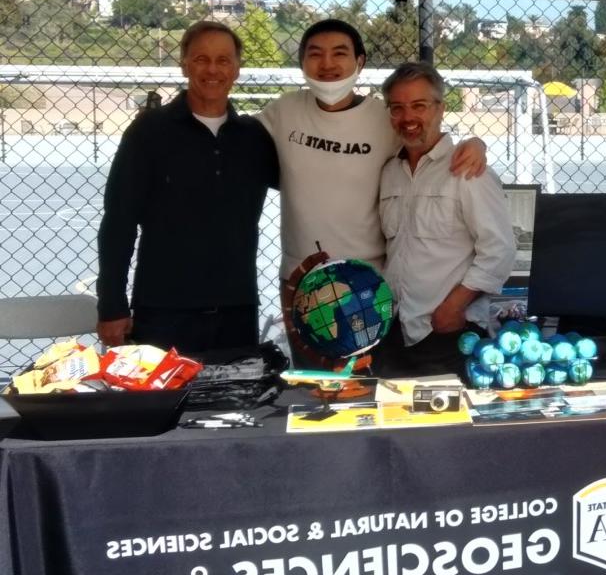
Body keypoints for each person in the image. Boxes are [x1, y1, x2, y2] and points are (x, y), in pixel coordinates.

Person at [258, 19, 487, 357]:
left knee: (366, 390)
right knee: (315, 389)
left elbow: (426, 139)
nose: (327, 64)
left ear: (359, 62)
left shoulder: (383, 117)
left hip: (367, 283)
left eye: (340, 53)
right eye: (315, 54)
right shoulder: (283, 111)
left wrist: (476, 143)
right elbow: (236, 144)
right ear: (302, 62)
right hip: (302, 277)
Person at [97, 20, 278, 353]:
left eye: (223, 60)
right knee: (161, 406)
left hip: (237, 310)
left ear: (237, 69)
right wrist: (112, 304)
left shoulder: (254, 136)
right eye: (201, 59)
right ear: (184, 64)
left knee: (234, 404)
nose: (213, 69)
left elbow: (306, 184)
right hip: (164, 311)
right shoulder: (148, 133)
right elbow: (118, 223)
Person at [375, 62, 515, 375]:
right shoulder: (388, 174)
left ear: (441, 109)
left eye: (419, 106)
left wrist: (454, 306)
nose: (408, 117)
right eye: (397, 108)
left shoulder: (468, 171)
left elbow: (500, 250)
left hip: (447, 332)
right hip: (395, 332)